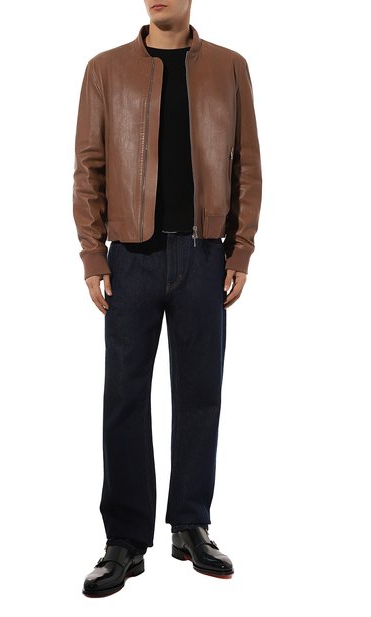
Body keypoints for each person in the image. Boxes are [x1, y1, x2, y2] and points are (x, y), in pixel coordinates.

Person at [73, 0, 262, 598]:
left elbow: (247, 165)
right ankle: (125, 540)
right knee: (125, 396)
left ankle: (191, 524)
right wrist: (92, 254)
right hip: (130, 257)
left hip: (205, 255)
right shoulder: (105, 70)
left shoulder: (230, 67)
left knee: (200, 394)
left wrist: (240, 249)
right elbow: (89, 167)